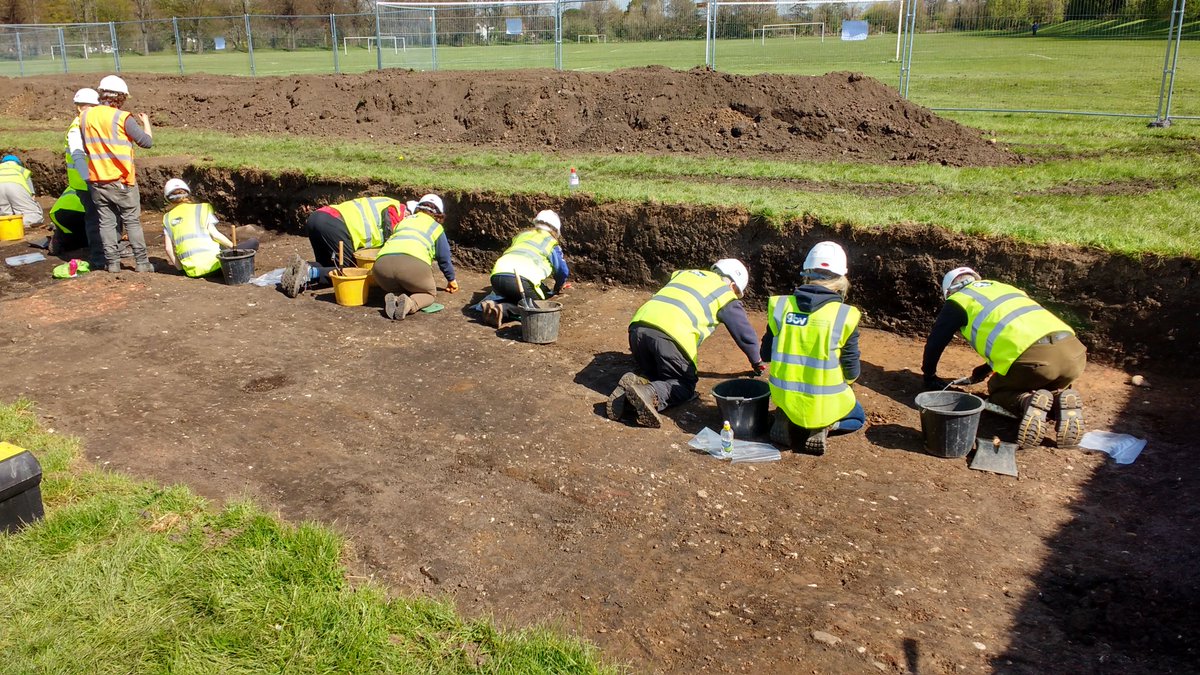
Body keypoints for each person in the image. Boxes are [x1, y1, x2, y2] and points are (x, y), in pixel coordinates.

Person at [923, 267, 1087, 448]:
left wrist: (929, 376)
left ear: (948, 292)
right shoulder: (1006, 288)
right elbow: (1018, 329)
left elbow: (935, 342)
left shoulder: (959, 300)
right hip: (1074, 355)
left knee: (997, 389)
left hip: (1035, 362)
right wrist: (987, 367)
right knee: (1044, 380)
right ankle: (1059, 399)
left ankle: (1027, 401)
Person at [610, 259, 765, 428]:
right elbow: (744, 333)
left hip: (637, 329)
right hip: (671, 335)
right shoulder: (724, 293)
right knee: (683, 385)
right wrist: (757, 361)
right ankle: (648, 393)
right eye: (736, 293)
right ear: (732, 285)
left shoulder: (684, 274)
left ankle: (638, 381)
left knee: (659, 370)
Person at [761, 242, 865, 455]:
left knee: (790, 403)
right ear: (841, 280)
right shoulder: (845, 315)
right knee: (857, 417)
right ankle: (826, 424)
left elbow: (765, 354)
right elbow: (851, 369)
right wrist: (849, 382)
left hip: (784, 397)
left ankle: (785, 415)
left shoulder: (780, 306)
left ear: (806, 274)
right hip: (824, 401)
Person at [80, 75, 154, 273]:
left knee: (105, 222)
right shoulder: (122, 117)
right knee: (131, 221)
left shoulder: (85, 117)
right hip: (122, 180)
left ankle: (112, 263)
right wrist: (146, 123)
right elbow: (146, 142)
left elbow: (87, 147)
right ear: (120, 98)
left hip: (97, 180)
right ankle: (142, 263)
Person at [281, 195, 407, 297]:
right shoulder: (396, 213)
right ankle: (308, 272)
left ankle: (299, 271)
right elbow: (391, 244)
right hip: (333, 225)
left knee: (328, 267)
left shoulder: (387, 202)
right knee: (349, 273)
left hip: (318, 217)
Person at [375, 194, 459, 320]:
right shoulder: (436, 227)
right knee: (429, 294)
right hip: (412, 266)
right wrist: (451, 279)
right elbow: (444, 257)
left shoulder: (403, 222)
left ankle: (396, 298)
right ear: (439, 215)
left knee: (399, 286)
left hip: (381, 268)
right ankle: (410, 304)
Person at [480, 209, 569, 328]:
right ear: (555, 230)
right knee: (537, 306)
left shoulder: (522, 235)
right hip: (521, 279)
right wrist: (558, 287)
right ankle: (504, 309)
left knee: (515, 294)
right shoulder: (550, 242)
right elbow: (562, 271)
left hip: (497, 277)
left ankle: (493, 304)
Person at [161, 178, 259, 278]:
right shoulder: (202, 208)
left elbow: (168, 249)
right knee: (253, 242)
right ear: (187, 192)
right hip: (217, 266)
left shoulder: (167, 218)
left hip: (193, 272)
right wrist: (235, 249)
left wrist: (181, 271)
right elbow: (215, 235)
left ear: (168, 198)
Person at [65, 87, 104, 267]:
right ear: (81, 108)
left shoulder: (89, 124)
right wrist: (89, 179)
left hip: (96, 179)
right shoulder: (77, 128)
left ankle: (109, 250)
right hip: (86, 182)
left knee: (105, 216)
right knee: (94, 219)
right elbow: (78, 155)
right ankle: (98, 256)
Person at [0, 155, 43, 227]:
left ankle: (6, 226)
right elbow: (32, 195)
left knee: (4, 213)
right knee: (30, 212)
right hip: (16, 186)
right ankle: (25, 224)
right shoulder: (22, 170)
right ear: (18, 163)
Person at [47, 187, 89, 255]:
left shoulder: (76, 182)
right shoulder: (101, 183)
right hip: (80, 213)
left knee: (71, 233)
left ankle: (60, 236)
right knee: (90, 238)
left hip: (58, 213)